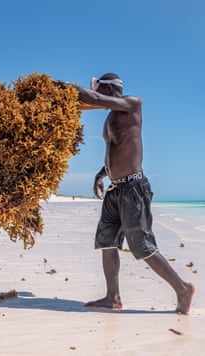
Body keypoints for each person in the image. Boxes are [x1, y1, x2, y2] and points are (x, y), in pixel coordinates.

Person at [76, 73, 194, 314]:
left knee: (142, 245)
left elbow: (90, 96)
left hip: (133, 189)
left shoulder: (132, 103)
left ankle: (183, 288)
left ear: (109, 88)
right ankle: (113, 297)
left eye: (100, 89)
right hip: (115, 188)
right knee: (106, 243)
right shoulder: (110, 116)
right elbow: (117, 148)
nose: (98, 93)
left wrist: (61, 89)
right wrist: (102, 173)